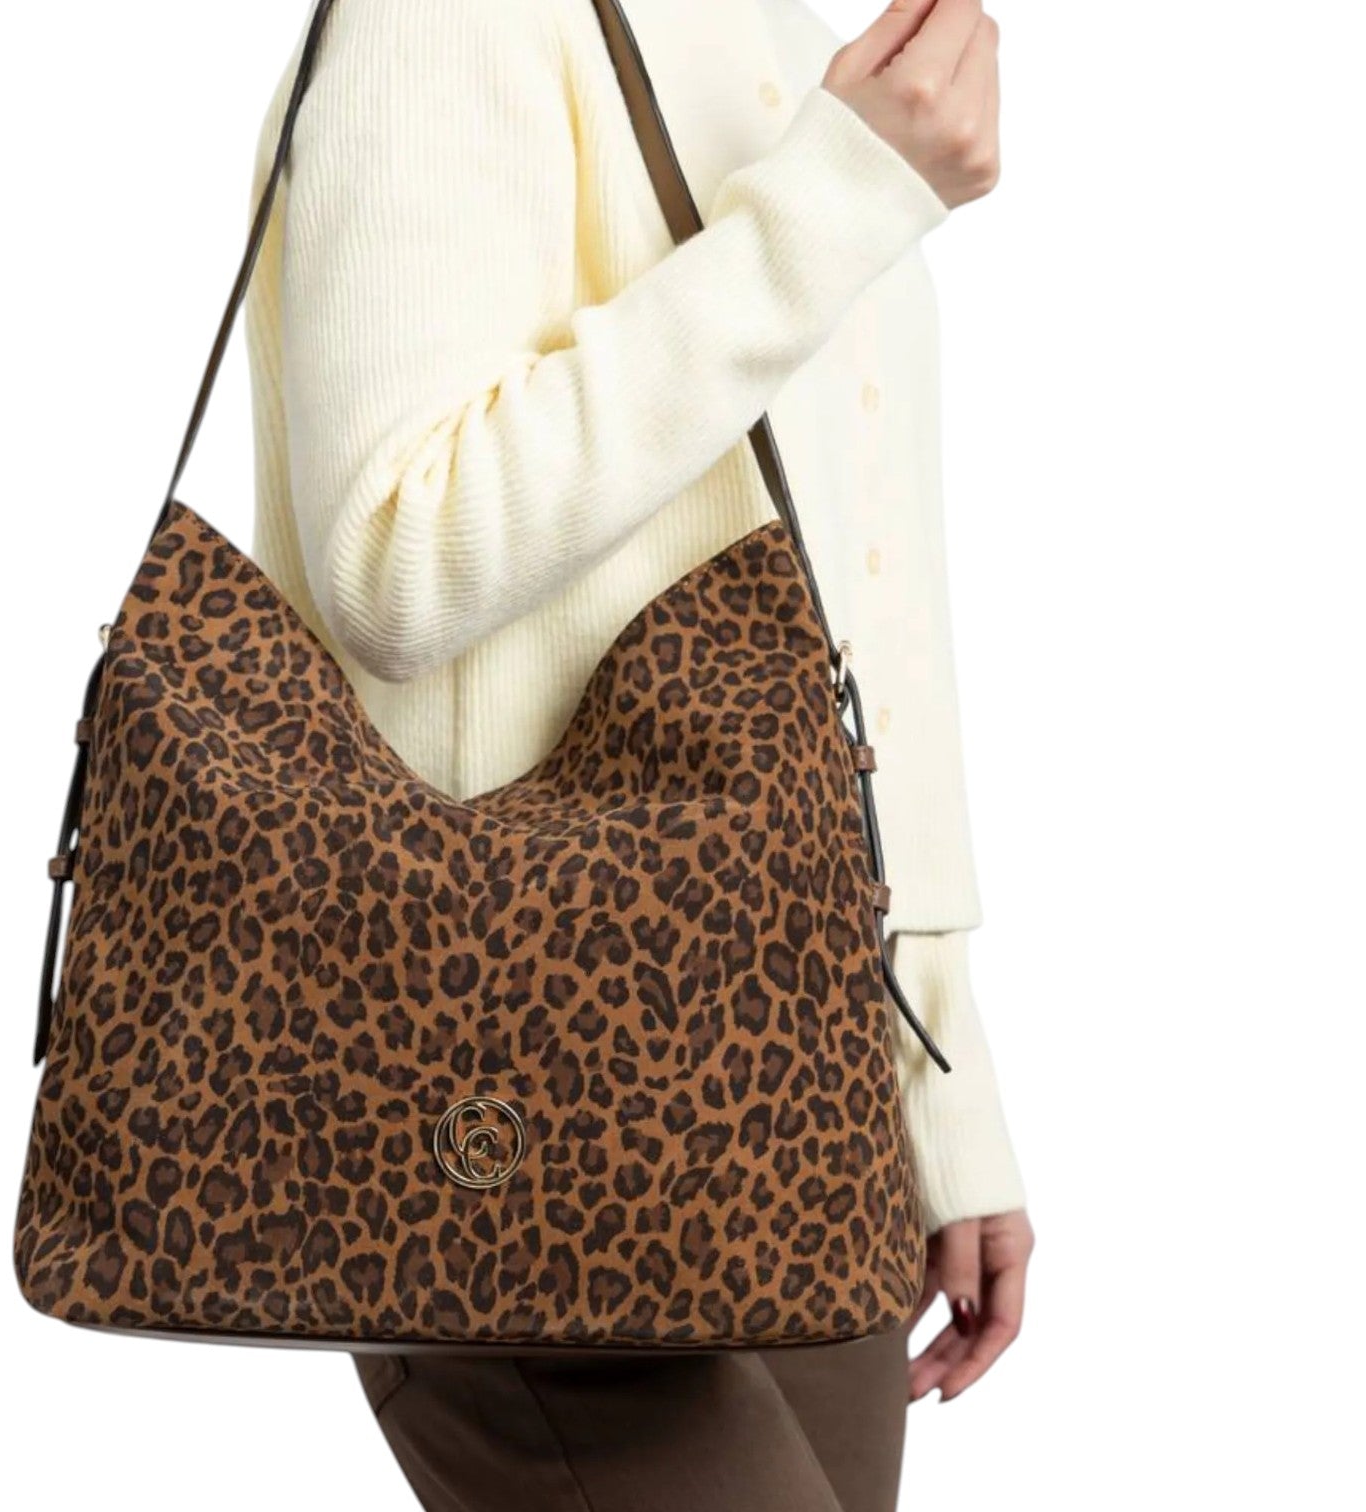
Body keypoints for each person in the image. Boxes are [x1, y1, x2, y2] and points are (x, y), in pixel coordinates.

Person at [245, 1, 1032, 1508]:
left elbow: (856, 593)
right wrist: (842, 194)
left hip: (797, 1080)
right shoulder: (443, 21)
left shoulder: (782, 31)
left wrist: (939, 1079)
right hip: (506, 1090)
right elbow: (398, 556)